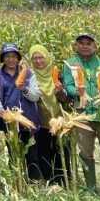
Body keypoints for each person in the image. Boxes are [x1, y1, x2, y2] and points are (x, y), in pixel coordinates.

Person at [63, 32, 100, 195]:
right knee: (85, 151)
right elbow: (68, 84)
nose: (85, 46)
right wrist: (75, 91)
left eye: (88, 43)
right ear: (76, 46)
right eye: (81, 43)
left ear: (94, 46)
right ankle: (91, 188)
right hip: (83, 115)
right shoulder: (70, 65)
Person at [0, 42, 41, 181]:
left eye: (13, 56)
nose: (11, 59)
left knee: (31, 155)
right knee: (13, 153)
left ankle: (34, 183)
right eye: (7, 56)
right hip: (9, 121)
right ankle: (17, 183)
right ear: (3, 58)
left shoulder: (28, 74)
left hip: (28, 120)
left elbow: (35, 96)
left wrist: (24, 89)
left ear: (18, 58)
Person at [29, 44, 71, 184]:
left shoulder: (57, 75)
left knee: (61, 152)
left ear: (47, 57)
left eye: (41, 57)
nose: (38, 61)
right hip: (40, 122)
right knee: (43, 153)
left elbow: (67, 99)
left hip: (59, 121)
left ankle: (64, 181)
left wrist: (59, 91)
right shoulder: (30, 76)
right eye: (34, 58)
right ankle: (48, 181)